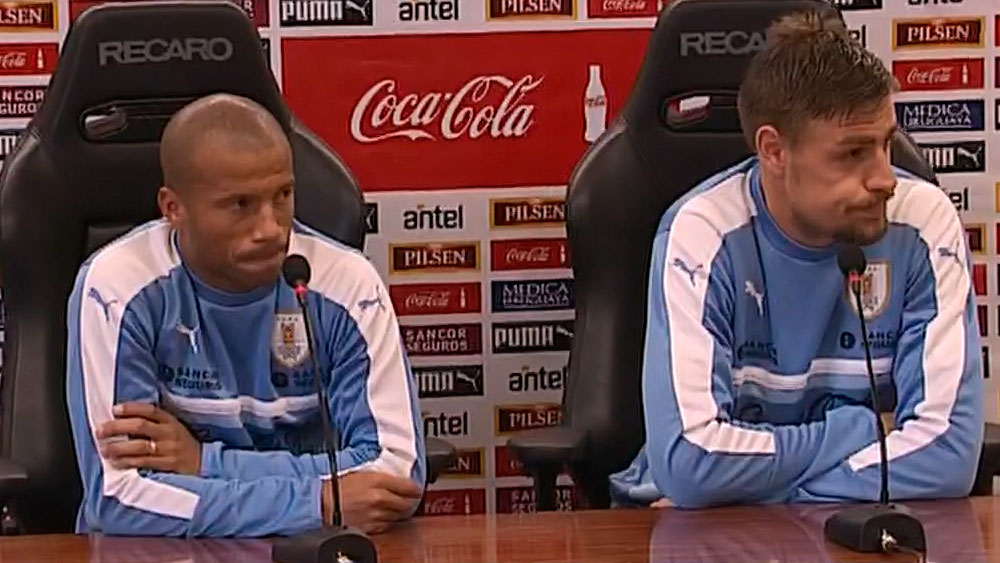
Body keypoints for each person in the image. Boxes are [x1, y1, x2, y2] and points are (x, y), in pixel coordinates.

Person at [609, 10, 983, 508]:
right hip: (702, 534)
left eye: (886, 144)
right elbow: (690, 462)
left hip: (837, 525)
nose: (885, 179)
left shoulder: (922, 221)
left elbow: (948, 455)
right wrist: (866, 429)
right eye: (853, 153)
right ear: (774, 151)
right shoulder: (703, 232)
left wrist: (773, 493)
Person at [65, 93, 426, 537]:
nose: (271, 228)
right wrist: (316, 503)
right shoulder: (119, 285)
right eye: (240, 204)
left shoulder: (344, 282)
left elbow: (394, 474)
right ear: (173, 208)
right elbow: (118, 497)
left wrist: (204, 463)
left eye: (283, 195)